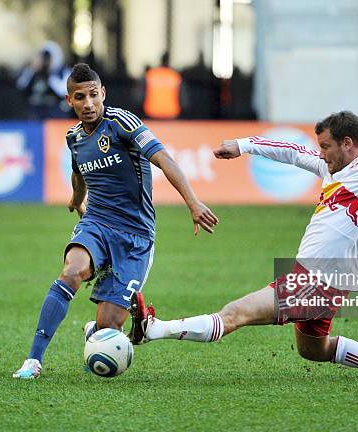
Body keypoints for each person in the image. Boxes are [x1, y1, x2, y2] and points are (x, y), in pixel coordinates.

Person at [130, 111, 358, 380]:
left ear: (347, 143)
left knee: (234, 314)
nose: (320, 153)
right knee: (314, 350)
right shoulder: (333, 167)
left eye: (326, 146)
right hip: (323, 277)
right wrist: (242, 145)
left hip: (319, 278)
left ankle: (155, 329)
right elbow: (292, 153)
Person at [13, 63, 219, 379]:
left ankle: (97, 329)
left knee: (109, 327)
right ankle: (33, 360)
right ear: (70, 101)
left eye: (93, 95)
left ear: (103, 94)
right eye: (80, 97)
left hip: (136, 236)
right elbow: (78, 171)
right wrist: (76, 197)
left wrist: (193, 203)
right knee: (72, 271)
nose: (88, 103)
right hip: (97, 222)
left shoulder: (122, 123)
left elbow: (164, 160)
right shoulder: (74, 137)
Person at [16, 41, 72, 119]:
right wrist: (31, 69)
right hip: (36, 115)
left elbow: (62, 91)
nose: (45, 61)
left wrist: (49, 75)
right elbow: (20, 86)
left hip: (57, 116)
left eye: (48, 58)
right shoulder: (34, 72)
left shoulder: (65, 72)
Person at [142, 52, 182, 119]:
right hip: (171, 112)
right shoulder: (174, 75)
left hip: (152, 111)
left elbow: (140, 95)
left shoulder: (151, 74)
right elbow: (182, 96)